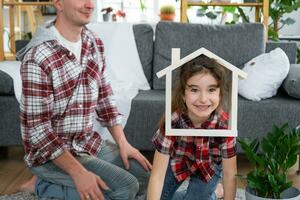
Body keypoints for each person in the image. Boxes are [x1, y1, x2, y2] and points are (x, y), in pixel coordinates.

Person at [16, 0, 151, 199]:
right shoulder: (39, 56)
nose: (89, 5)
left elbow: (104, 97)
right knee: (126, 187)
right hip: (50, 155)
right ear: (59, 3)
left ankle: (52, 184)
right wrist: (79, 173)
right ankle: (45, 186)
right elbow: (39, 132)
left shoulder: (93, 43)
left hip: (86, 145)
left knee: (146, 175)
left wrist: (124, 143)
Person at [147, 55, 237, 200]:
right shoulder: (172, 122)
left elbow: (230, 174)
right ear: (183, 94)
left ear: (220, 94)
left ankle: (213, 193)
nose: (203, 99)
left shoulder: (224, 126)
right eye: (194, 90)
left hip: (209, 167)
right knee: (153, 196)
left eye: (211, 90)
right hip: (179, 161)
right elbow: (157, 175)